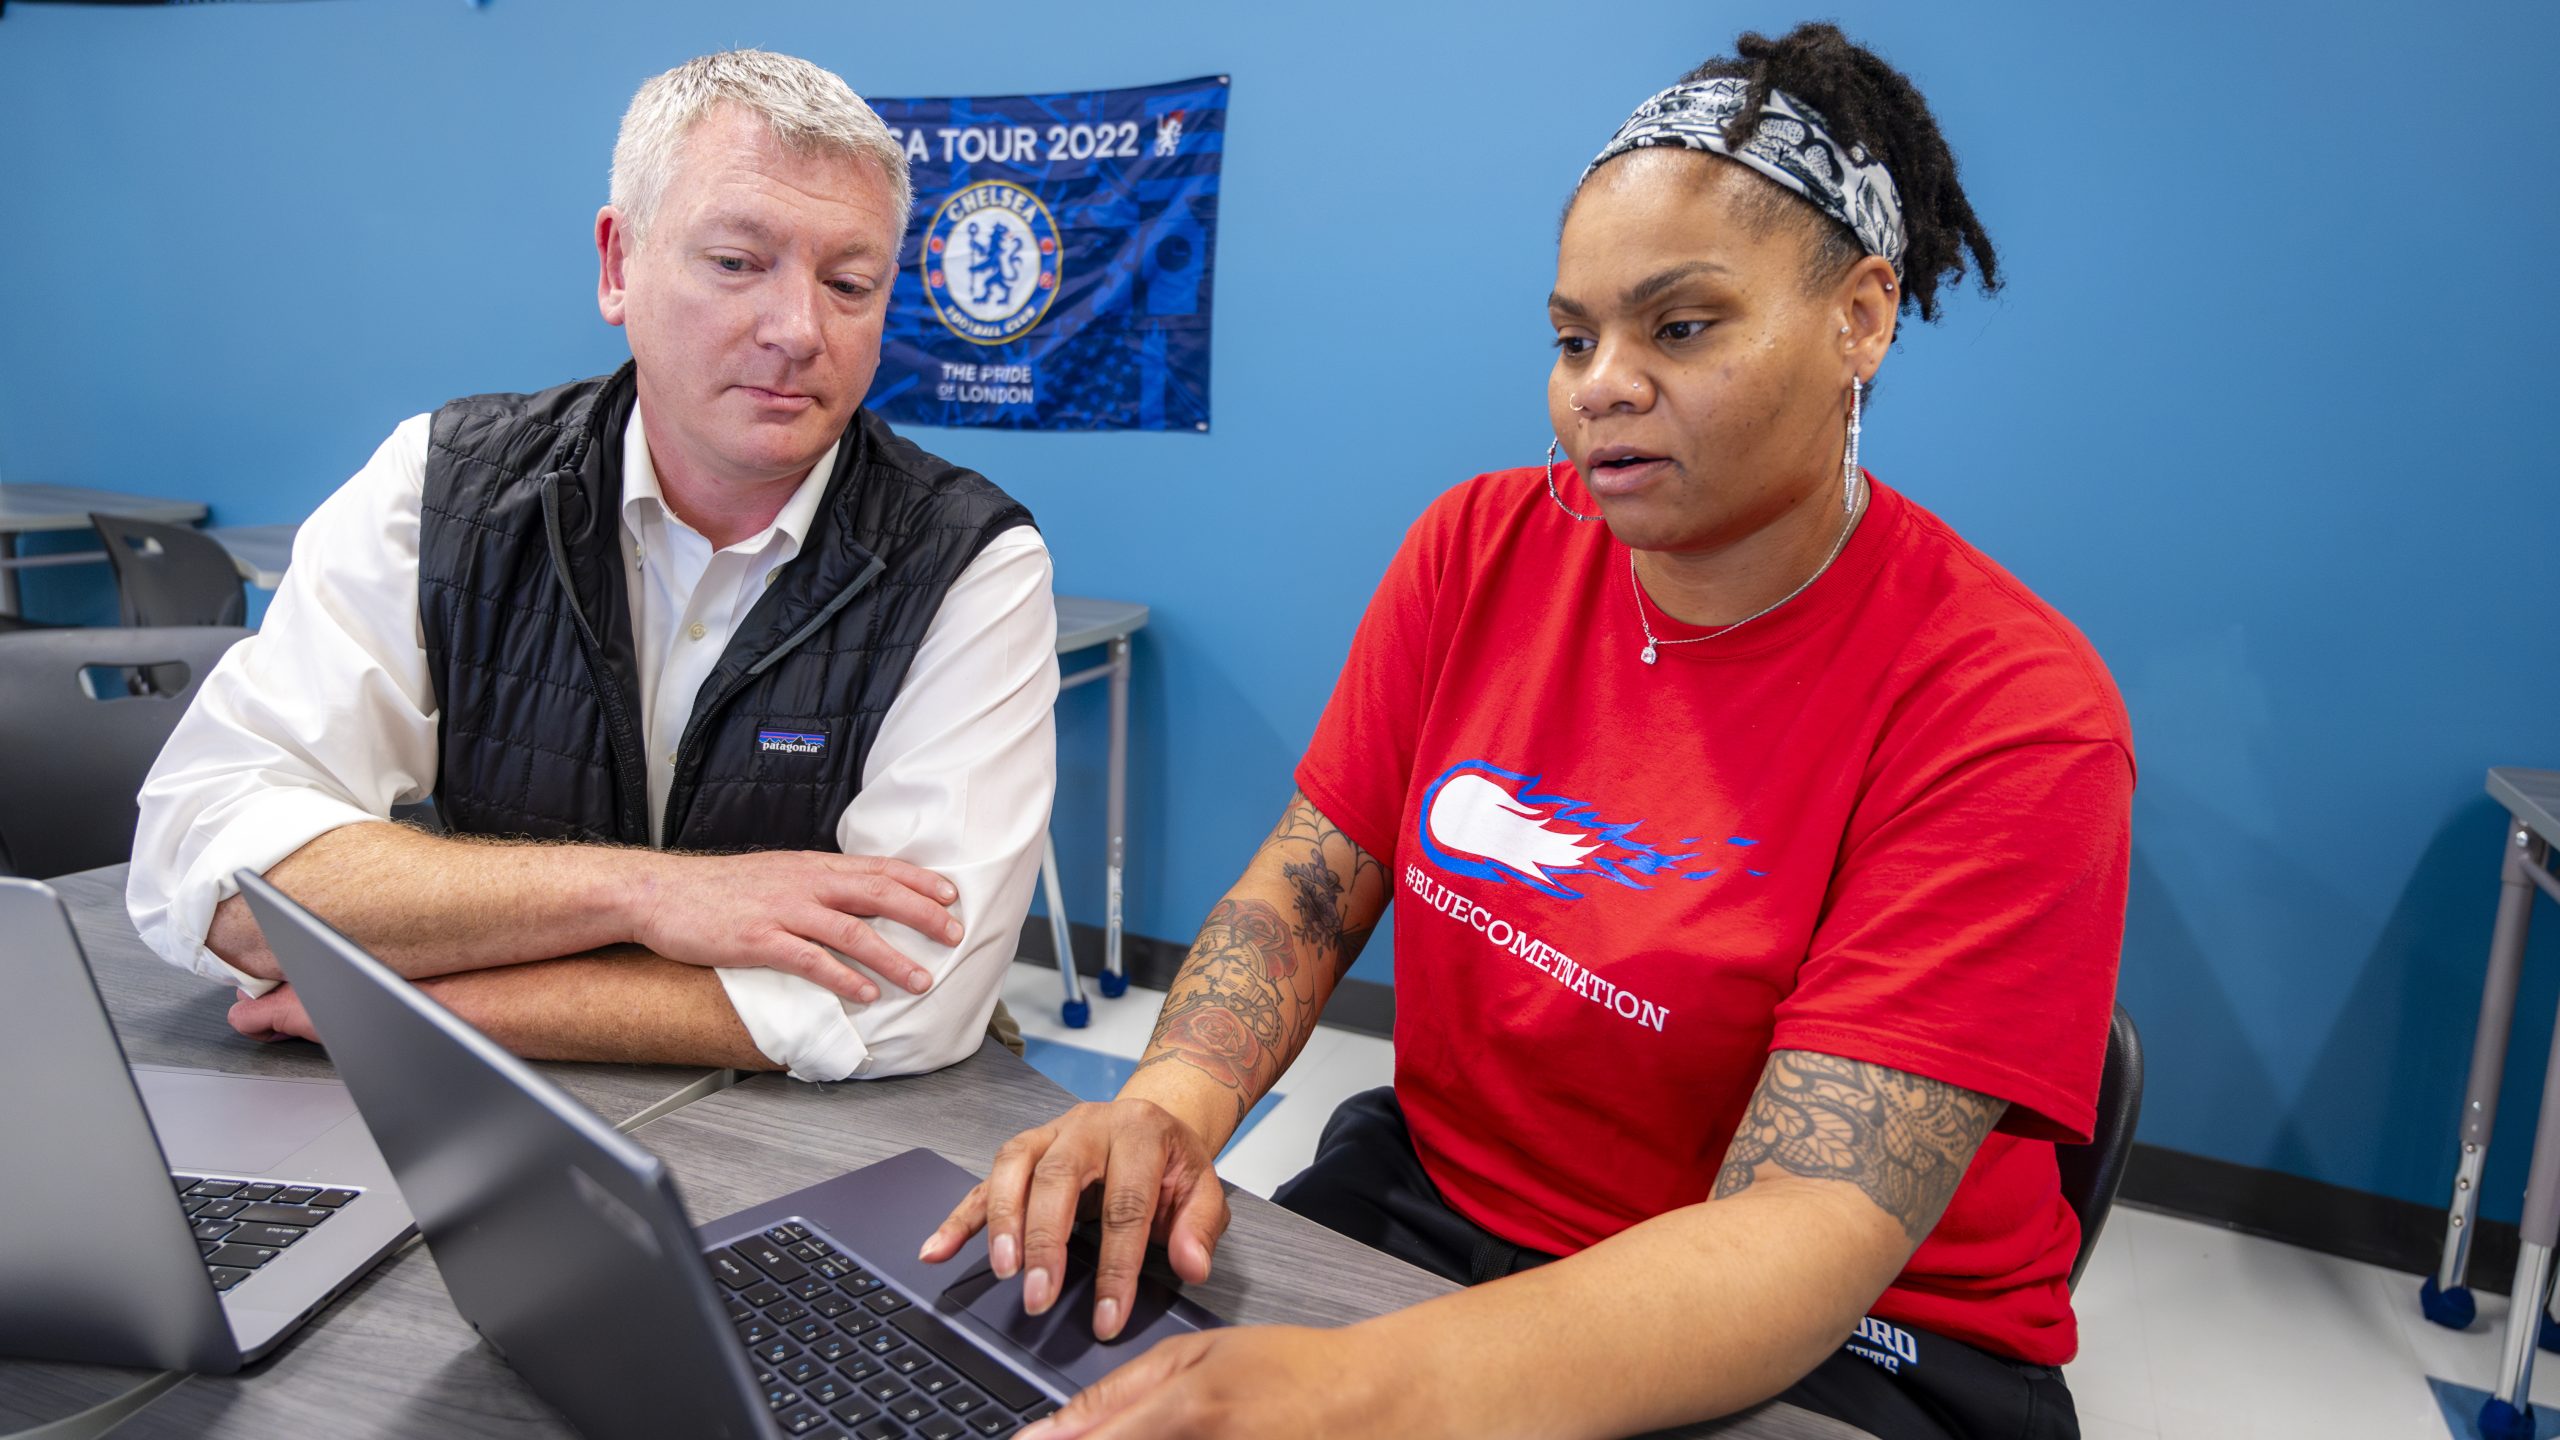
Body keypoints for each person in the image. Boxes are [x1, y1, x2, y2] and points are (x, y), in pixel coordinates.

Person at [921, 23, 2129, 1440]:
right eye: (1572, 337)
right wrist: (1170, 1110)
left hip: (1853, 1342)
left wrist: (1359, 1389)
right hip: (1451, 1209)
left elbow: (1798, 1238)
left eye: (1680, 326)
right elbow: (1311, 884)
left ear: (1863, 315)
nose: (1599, 385)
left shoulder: (2008, 710)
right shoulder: (1480, 547)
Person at [126, 50, 1058, 1083]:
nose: (799, 330)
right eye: (736, 263)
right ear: (619, 265)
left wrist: (428, 1004)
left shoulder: (970, 563)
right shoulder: (440, 486)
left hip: (813, 1138)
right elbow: (206, 863)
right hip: (473, 1134)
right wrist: (645, 895)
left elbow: (905, 997)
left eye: (850, 284)